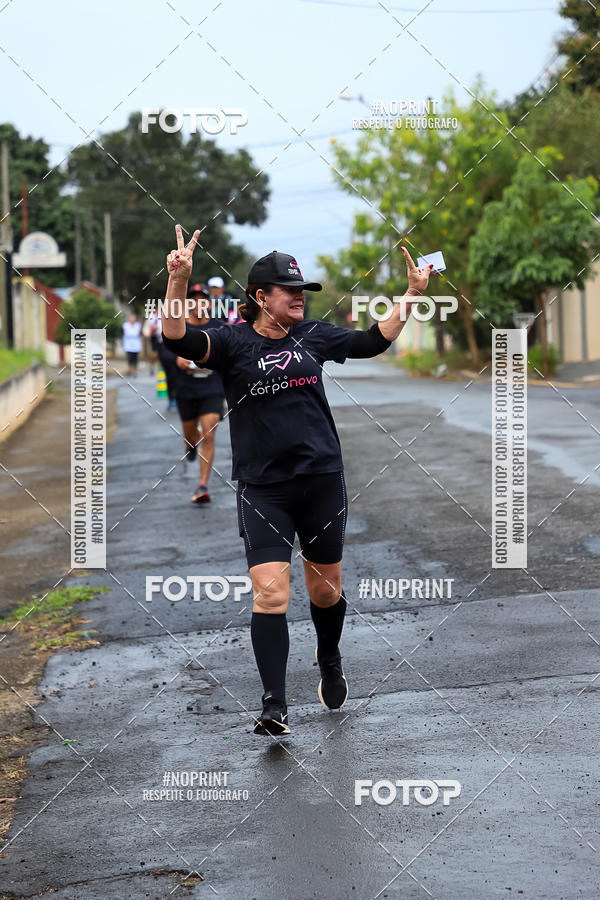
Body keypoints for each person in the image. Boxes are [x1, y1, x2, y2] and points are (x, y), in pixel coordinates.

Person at [162, 226, 432, 736]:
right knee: (270, 594)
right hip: (264, 489)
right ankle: (274, 706)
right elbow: (176, 337)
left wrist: (412, 294)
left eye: (303, 294)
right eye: (291, 294)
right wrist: (178, 280)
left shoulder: (314, 336)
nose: (300, 301)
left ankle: (328, 658)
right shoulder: (230, 343)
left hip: (321, 482)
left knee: (324, 590)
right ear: (261, 297)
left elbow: (372, 341)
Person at [174, 283, 225, 504]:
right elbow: (166, 353)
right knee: (191, 435)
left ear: (209, 303)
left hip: (212, 388)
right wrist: (177, 359)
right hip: (186, 390)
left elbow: (229, 354)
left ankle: (203, 485)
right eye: (192, 300)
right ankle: (189, 443)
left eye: (202, 299)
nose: (198, 303)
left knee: (209, 434)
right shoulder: (179, 328)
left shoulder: (219, 327)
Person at [122, 312, 142, 376]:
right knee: (129, 357)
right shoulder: (125, 325)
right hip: (128, 344)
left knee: (135, 358)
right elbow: (124, 334)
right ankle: (129, 370)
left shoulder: (138, 325)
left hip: (136, 344)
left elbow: (139, 334)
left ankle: (135, 371)